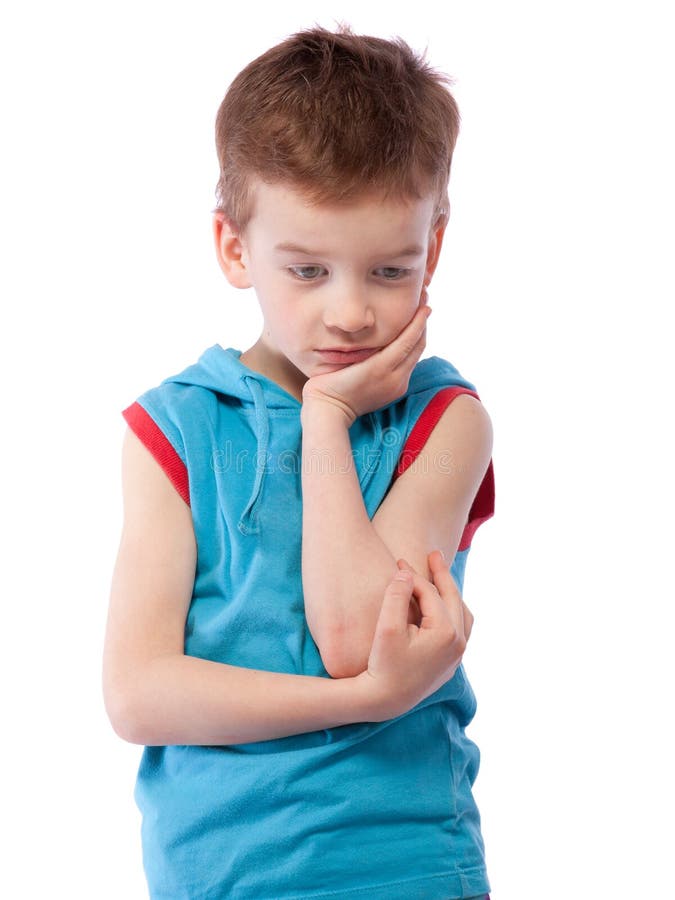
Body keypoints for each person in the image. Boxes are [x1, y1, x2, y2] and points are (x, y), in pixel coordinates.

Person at [103, 23, 495, 900]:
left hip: (403, 864)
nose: (349, 314)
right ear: (235, 250)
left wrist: (324, 422)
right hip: (221, 876)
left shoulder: (446, 420)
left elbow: (355, 634)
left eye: (389, 271)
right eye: (308, 270)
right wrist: (358, 703)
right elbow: (138, 694)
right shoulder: (174, 427)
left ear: (431, 249)